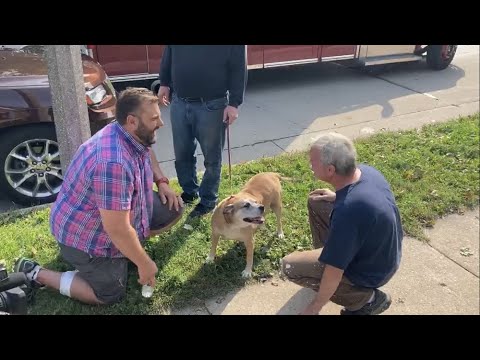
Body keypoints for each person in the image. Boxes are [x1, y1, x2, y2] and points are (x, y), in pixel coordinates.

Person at [14, 87, 184, 305]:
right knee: (110, 294)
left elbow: (146, 149)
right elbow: (117, 228)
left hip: (111, 216)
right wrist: (145, 263)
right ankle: (35, 272)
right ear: (132, 121)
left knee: (173, 208)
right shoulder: (113, 163)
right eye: (154, 119)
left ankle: (129, 250)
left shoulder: (125, 131)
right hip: (84, 238)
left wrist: (161, 181)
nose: (160, 123)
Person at [281, 133, 403, 315]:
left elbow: (334, 272)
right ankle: (330, 257)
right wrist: (337, 197)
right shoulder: (366, 172)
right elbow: (360, 205)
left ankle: (367, 300)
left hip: (371, 272)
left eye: (313, 162)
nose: (310, 165)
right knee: (317, 202)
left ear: (330, 170)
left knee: (289, 266)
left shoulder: (348, 211)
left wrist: (314, 307)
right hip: (382, 254)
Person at [157, 45, 247, 217]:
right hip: (179, 101)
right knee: (182, 153)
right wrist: (165, 82)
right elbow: (169, 52)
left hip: (212, 104)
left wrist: (234, 103)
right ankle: (190, 191)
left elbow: (238, 68)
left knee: (212, 158)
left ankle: (208, 200)